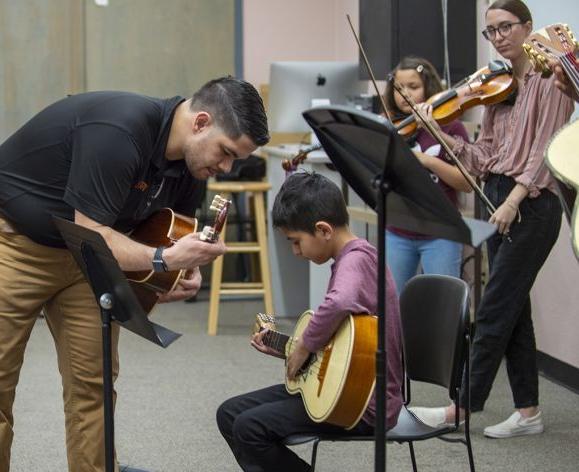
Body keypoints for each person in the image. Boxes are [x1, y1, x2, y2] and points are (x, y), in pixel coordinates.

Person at [0, 77, 269, 471]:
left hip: (86, 259)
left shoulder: (191, 167)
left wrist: (177, 275)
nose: (226, 168)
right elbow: (95, 232)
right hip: (16, 245)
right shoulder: (120, 130)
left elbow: (163, 234)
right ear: (200, 122)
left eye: (235, 160)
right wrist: (161, 260)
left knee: (94, 389)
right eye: (226, 152)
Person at [409, 0, 575, 439]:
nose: (499, 37)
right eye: (491, 31)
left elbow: (547, 150)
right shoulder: (496, 88)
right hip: (495, 195)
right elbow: (483, 156)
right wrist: (439, 131)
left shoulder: (551, 79)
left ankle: (459, 408)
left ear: (527, 27)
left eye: (506, 27)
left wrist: (514, 199)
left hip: (532, 203)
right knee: (515, 310)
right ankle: (528, 412)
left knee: (496, 307)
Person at [216, 172, 403, 472]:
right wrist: (286, 347)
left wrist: (303, 346)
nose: (295, 251)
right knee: (229, 413)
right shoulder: (349, 260)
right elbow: (340, 346)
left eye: (296, 241)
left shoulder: (357, 259)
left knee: (249, 429)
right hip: (344, 386)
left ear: (323, 229)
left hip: (364, 404)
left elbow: (339, 301)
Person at [384, 56, 472, 294]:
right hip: (398, 230)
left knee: (440, 303)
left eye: (413, 87)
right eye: (399, 89)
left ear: (428, 88)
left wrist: (427, 161)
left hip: (441, 232)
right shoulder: (390, 127)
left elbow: (466, 182)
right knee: (394, 303)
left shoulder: (450, 127)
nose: (405, 95)